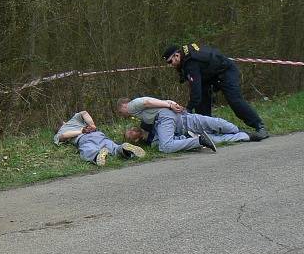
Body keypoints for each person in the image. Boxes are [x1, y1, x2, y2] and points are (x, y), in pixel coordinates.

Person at [162, 43, 269, 139]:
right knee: (201, 103)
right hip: (210, 76)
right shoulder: (186, 55)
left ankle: (259, 126)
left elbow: (195, 91)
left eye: (170, 61)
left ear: (177, 55)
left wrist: (188, 109)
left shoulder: (190, 62)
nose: (171, 64)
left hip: (226, 71)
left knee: (235, 100)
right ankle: (208, 130)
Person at [125, 108, 253, 153]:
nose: (132, 130)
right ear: (135, 139)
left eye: (131, 129)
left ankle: (239, 130)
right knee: (217, 139)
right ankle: (247, 136)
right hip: (189, 136)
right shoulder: (155, 143)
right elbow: (173, 141)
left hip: (188, 120)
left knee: (219, 123)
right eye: (131, 133)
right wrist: (188, 138)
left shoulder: (147, 122)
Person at [54, 111, 145, 166]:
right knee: (111, 146)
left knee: (88, 150)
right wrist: (92, 125)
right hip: (97, 134)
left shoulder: (59, 133)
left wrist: (82, 132)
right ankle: (124, 149)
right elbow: (84, 112)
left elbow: (63, 136)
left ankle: (97, 156)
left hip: (83, 139)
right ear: (64, 122)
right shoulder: (73, 120)